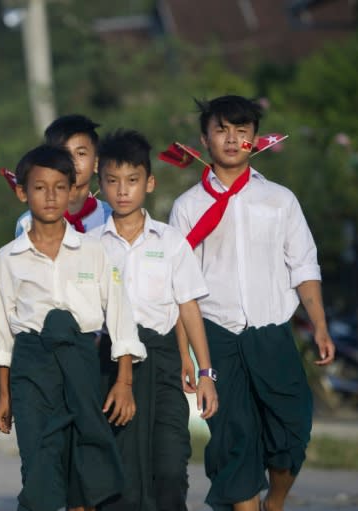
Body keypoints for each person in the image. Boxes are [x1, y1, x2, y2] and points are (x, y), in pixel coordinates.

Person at [169, 95, 336, 511]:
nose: (232, 139)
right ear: (204, 139)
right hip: (217, 337)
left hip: (272, 332)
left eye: (242, 131)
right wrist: (185, 356)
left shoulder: (280, 200)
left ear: (255, 140)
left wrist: (319, 324)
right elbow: (176, 287)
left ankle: (274, 502)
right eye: (222, 130)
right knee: (233, 437)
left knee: (292, 429)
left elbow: (304, 266)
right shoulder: (187, 207)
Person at [0, 144, 146, 511]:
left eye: (60, 187)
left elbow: (120, 318)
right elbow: (2, 334)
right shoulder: (7, 259)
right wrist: (5, 394)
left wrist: (124, 382)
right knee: (39, 465)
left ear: (73, 190)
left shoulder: (94, 251)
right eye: (40, 188)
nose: (51, 197)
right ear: (22, 192)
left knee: (84, 469)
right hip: (31, 370)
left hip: (83, 363)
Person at [89, 130, 218, 511]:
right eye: (112, 181)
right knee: (121, 473)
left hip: (161, 362)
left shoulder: (171, 241)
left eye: (132, 181)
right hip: (110, 363)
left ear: (149, 182)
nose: (122, 191)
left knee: (171, 468)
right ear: (101, 185)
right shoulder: (91, 246)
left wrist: (205, 372)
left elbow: (188, 307)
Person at [15, 114, 112, 236]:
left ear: (97, 163)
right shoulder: (28, 222)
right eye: (64, 153)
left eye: (81, 153)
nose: (73, 161)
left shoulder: (112, 218)